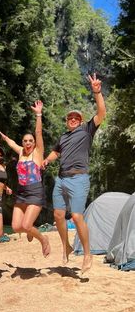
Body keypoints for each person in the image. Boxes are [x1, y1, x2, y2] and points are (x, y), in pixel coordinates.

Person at [42, 73, 106, 274]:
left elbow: (102, 113)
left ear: (81, 121)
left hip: (79, 178)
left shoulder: (87, 130)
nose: (72, 119)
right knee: (58, 215)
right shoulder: (62, 137)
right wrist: (46, 159)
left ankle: (87, 254)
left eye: (76, 117)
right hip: (61, 178)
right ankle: (66, 245)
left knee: (77, 217)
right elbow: (55, 152)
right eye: (70, 117)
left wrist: (97, 92)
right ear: (66, 121)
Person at [0, 100, 50, 257]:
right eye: (25, 141)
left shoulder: (37, 153)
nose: (28, 143)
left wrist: (38, 114)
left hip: (35, 192)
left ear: (34, 143)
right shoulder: (21, 152)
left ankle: (43, 239)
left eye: (30, 141)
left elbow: (39, 133)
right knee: (16, 227)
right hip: (21, 193)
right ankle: (31, 230)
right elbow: (12, 144)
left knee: (27, 225)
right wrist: (5, 139)